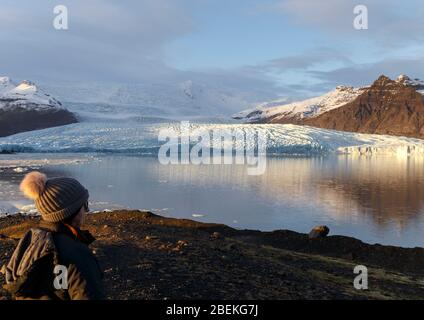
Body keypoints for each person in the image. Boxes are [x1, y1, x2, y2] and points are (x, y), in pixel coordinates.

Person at [1, 171, 104, 300]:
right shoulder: (76, 254)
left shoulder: (30, 242)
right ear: (71, 211)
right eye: (84, 205)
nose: (86, 211)